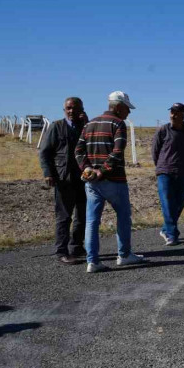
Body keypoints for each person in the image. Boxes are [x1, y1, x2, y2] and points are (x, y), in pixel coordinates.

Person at [75, 91, 147, 272]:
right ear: (119, 107)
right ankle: (124, 255)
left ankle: (92, 261)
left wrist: (87, 169)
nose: (128, 113)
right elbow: (117, 152)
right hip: (114, 180)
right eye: (127, 109)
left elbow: (78, 150)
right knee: (123, 217)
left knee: (92, 221)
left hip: (91, 183)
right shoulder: (118, 124)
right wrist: (102, 171)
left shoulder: (90, 124)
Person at [39, 97, 87, 264]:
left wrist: (86, 124)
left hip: (83, 178)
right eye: (68, 108)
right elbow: (44, 152)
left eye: (74, 108)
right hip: (64, 178)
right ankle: (61, 251)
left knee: (82, 214)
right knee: (64, 216)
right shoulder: (57, 127)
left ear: (82, 109)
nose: (71, 111)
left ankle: (77, 246)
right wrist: (48, 173)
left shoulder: (85, 127)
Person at [152, 102, 184, 246]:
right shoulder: (163, 130)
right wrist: (161, 166)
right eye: (171, 112)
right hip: (165, 172)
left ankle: (166, 229)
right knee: (167, 203)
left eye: (176, 112)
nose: (172, 115)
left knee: (178, 204)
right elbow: (155, 151)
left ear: (183, 115)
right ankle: (172, 234)